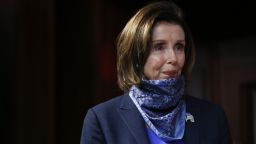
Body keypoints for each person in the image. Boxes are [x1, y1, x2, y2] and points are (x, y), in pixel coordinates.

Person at [80, 1, 232, 144]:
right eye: (159, 47)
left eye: (179, 46)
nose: (173, 58)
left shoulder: (214, 116)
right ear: (137, 55)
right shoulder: (101, 119)